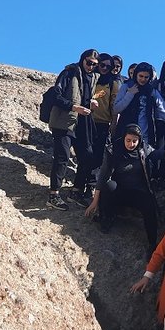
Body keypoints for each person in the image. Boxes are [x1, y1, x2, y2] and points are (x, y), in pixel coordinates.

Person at [84, 124, 165, 251]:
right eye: (128, 140)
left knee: (149, 207)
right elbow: (103, 176)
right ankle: (107, 217)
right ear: (123, 138)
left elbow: (158, 153)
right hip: (120, 190)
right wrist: (94, 202)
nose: (131, 144)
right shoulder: (114, 150)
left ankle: (152, 244)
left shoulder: (143, 149)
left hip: (138, 192)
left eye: (134, 141)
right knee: (108, 186)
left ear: (139, 140)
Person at [46, 49, 100, 210]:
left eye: (94, 65)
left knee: (87, 156)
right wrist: (74, 107)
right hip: (64, 122)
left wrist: (90, 104)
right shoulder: (69, 73)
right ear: (82, 59)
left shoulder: (93, 78)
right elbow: (56, 96)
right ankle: (54, 195)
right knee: (62, 156)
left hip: (82, 123)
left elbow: (84, 98)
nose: (91, 66)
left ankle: (76, 192)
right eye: (89, 62)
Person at [113, 62, 165, 147]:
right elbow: (116, 109)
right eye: (141, 76)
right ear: (136, 75)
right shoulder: (126, 86)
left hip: (144, 138)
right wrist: (129, 94)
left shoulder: (152, 92)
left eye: (146, 77)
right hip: (125, 136)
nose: (143, 79)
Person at [90, 53, 121, 187]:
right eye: (102, 65)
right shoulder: (90, 78)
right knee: (85, 152)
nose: (104, 68)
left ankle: (92, 183)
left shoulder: (113, 83)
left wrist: (114, 124)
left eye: (108, 67)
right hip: (85, 120)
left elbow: (114, 105)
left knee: (98, 154)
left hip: (102, 123)